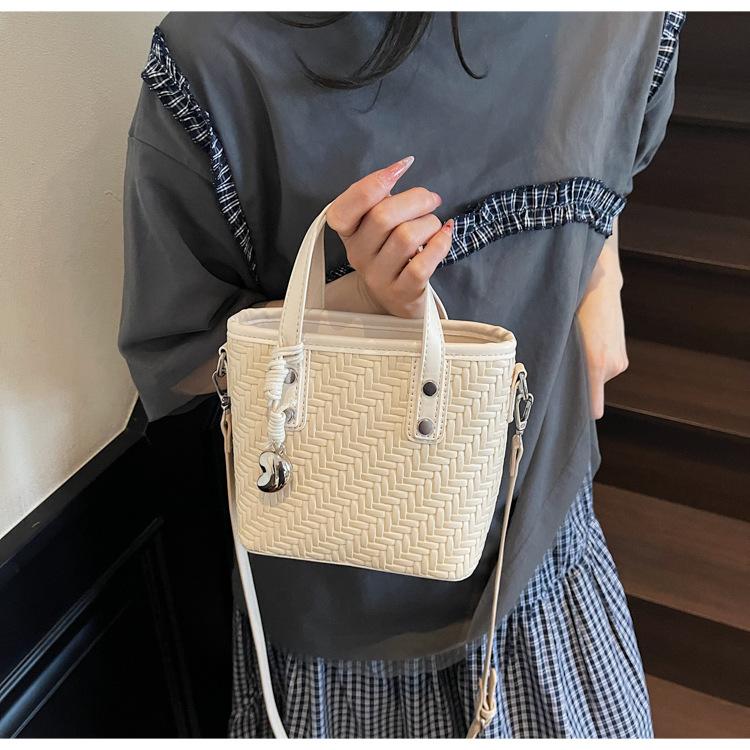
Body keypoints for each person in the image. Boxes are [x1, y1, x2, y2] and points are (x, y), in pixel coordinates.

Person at [117, 11, 685, 738]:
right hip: (347, 622)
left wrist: (602, 270)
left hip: (547, 565)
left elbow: (616, 145)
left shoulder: (621, 21)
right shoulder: (221, 57)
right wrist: (354, 302)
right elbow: (178, 359)